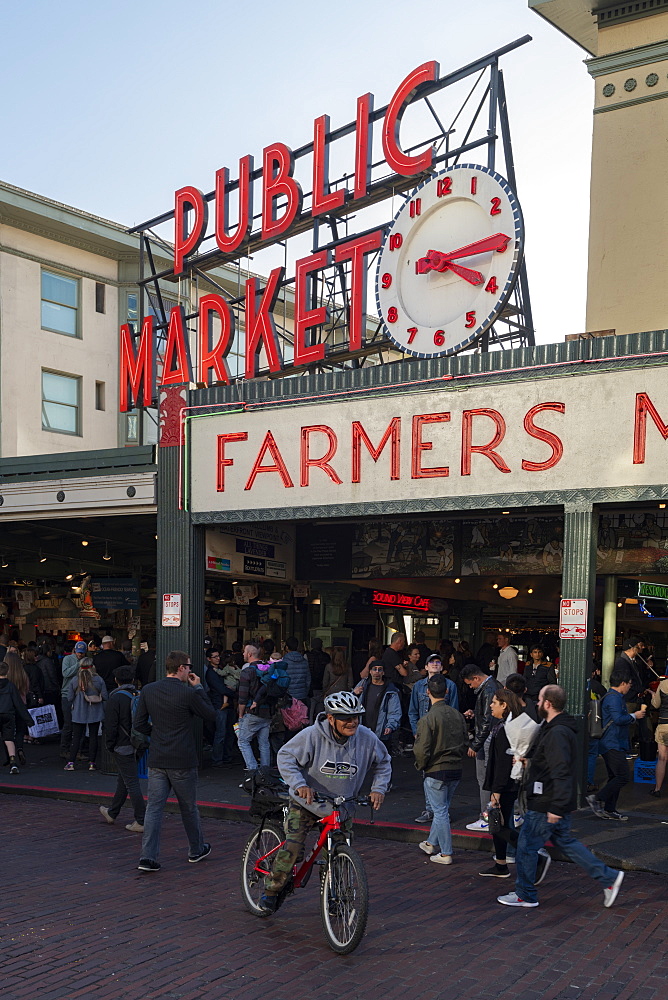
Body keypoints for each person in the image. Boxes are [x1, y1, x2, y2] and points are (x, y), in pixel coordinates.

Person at [259, 690, 391, 914]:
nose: (352, 723)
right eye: (345, 718)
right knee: (293, 848)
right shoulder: (312, 735)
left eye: (356, 717)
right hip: (307, 803)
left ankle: (334, 896)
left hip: (342, 807)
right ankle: (271, 890)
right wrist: (300, 784)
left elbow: (384, 762)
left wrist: (378, 789)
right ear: (331, 718)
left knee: (337, 855)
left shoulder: (366, 738)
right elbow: (285, 756)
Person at [498, 685, 625, 909]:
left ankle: (525, 894)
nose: (536, 704)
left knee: (526, 846)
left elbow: (561, 770)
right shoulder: (556, 728)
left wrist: (556, 807)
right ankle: (608, 878)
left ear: (548, 703)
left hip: (546, 800)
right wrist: (529, 762)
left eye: (539, 700)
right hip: (552, 800)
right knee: (565, 843)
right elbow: (553, 764)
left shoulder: (556, 731)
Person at [134, 650, 217, 872]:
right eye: (189, 666)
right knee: (188, 807)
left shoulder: (149, 690)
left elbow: (139, 723)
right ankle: (196, 848)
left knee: (154, 808)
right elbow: (210, 714)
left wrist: (155, 733)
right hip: (182, 758)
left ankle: (148, 856)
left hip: (158, 756)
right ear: (181, 668)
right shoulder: (188, 693)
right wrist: (198, 687)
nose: (191, 670)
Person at [479, 687, 541, 879]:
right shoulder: (505, 725)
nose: (491, 705)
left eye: (494, 702)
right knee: (499, 823)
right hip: (506, 783)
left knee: (501, 824)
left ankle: (532, 857)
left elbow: (503, 763)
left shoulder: (506, 729)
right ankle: (501, 863)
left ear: (504, 705)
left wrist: (496, 791)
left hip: (505, 785)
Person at [413, 675, 468, 865]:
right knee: (442, 809)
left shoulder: (428, 718)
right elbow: (465, 741)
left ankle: (446, 852)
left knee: (440, 811)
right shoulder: (457, 715)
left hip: (436, 769)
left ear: (427, 692)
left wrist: (421, 765)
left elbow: (421, 749)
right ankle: (430, 843)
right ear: (446, 691)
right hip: (455, 767)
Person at [586, 667, 647, 821]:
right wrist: (635, 715)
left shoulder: (612, 696)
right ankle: (597, 798)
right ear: (622, 683)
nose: (630, 687)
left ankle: (610, 809)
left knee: (615, 776)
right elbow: (619, 719)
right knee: (622, 776)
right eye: (629, 684)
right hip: (611, 742)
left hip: (612, 742)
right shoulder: (614, 698)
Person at [100, 665, 146, 832]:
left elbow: (110, 726)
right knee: (124, 778)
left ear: (116, 680)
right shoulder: (140, 695)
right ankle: (112, 812)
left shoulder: (115, 698)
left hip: (122, 745)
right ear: (133, 680)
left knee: (131, 782)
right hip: (139, 743)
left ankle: (141, 820)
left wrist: (110, 745)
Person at [461, 663, 501, 832]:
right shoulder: (493, 686)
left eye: (471, 684)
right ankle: (490, 814)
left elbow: (487, 720)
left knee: (484, 779)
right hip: (491, 736)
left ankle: (486, 816)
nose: (471, 687)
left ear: (476, 678)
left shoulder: (488, 689)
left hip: (487, 738)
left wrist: (475, 744)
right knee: (487, 778)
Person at [65, 657, 107, 771]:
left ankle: (71, 763)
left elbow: (69, 698)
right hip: (95, 712)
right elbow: (105, 696)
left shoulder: (75, 680)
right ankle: (92, 763)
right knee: (93, 737)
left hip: (79, 712)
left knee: (76, 737)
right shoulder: (99, 680)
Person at [237, 644, 273, 771]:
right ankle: (265, 772)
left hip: (252, 712)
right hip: (268, 711)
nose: (243, 654)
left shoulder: (247, 672)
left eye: (244, 652)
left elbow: (242, 697)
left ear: (250, 654)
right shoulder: (269, 669)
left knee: (243, 741)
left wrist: (240, 715)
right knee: (264, 744)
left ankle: (252, 771)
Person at [353, 662, 402, 753]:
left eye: (380, 669)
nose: (377, 671)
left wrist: (390, 726)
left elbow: (395, 711)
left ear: (383, 672)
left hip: (380, 731)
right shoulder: (363, 684)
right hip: (361, 729)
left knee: (379, 760)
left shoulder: (391, 690)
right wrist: (354, 694)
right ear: (370, 671)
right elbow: (351, 704)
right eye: (374, 669)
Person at [0, 660, 34, 774]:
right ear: (7, 671)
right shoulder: (11, 686)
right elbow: (18, 704)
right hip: (8, 714)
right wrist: (28, 720)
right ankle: (13, 762)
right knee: (9, 739)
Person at [206, 648, 237, 767]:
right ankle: (217, 759)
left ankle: (226, 757)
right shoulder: (211, 673)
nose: (218, 658)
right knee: (221, 733)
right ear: (209, 659)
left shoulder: (220, 670)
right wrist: (234, 694)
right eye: (214, 657)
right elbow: (220, 689)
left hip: (227, 704)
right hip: (220, 705)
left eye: (218, 656)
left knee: (229, 732)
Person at [650, 669, 668, 797]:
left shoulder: (663, 684)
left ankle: (657, 789)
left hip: (664, 724)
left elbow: (656, 705)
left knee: (662, 759)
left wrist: (653, 696)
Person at [281, 637, 310, 702]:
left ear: (287, 647)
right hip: (302, 695)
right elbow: (308, 680)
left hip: (288, 695)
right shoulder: (304, 661)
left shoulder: (284, 662)